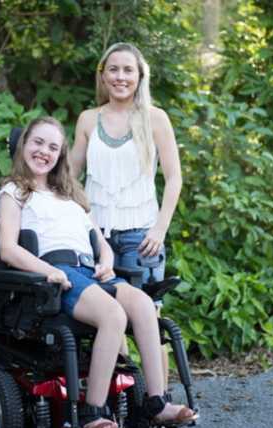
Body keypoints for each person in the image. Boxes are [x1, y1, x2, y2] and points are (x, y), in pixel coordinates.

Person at [0, 116, 195, 428]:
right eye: (37, 143)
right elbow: (8, 250)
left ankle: (157, 404)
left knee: (142, 303)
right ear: (23, 145)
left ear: (60, 156)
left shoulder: (71, 197)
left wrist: (108, 261)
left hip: (91, 271)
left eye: (53, 147)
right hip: (56, 275)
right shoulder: (14, 192)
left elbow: (100, 242)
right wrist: (51, 272)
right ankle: (92, 413)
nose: (44, 151)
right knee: (112, 314)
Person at [71, 42, 182, 368]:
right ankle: (123, 403)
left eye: (128, 70)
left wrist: (159, 229)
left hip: (141, 238)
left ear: (140, 75)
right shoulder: (88, 120)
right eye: (113, 69)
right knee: (110, 321)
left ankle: (158, 401)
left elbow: (174, 179)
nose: (120, 76)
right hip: (94, 240)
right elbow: (70, 178)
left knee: (149, 321)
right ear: (103, 75)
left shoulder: (155, 119)